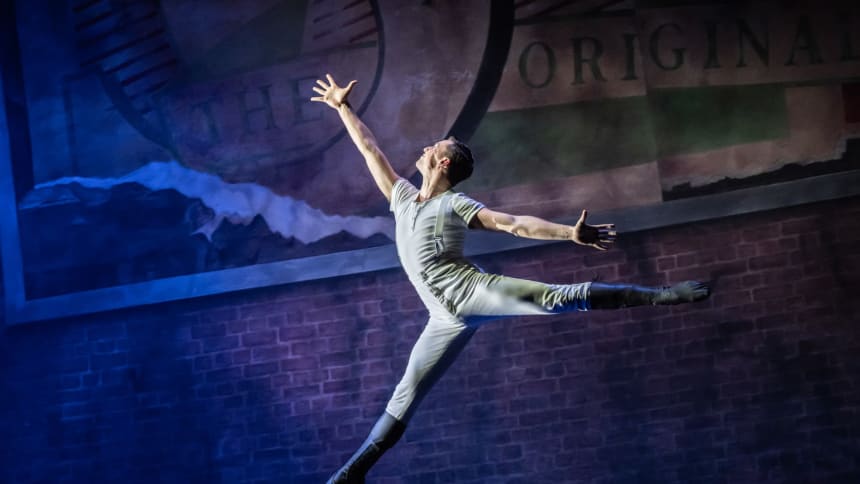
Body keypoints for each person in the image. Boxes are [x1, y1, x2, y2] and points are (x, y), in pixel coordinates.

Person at [311, 74, 710, 483]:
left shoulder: (455, 204)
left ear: (443, 163)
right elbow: (369, 149)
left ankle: (662, 294)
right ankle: (352, 474)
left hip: (472, 291)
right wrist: (343, 107)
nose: (427, 148)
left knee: (558, 298)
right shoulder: (402, 197)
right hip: (441, 318)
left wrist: (568, 233)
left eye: (435, 147)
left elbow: (514, 224)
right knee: (405, 394)